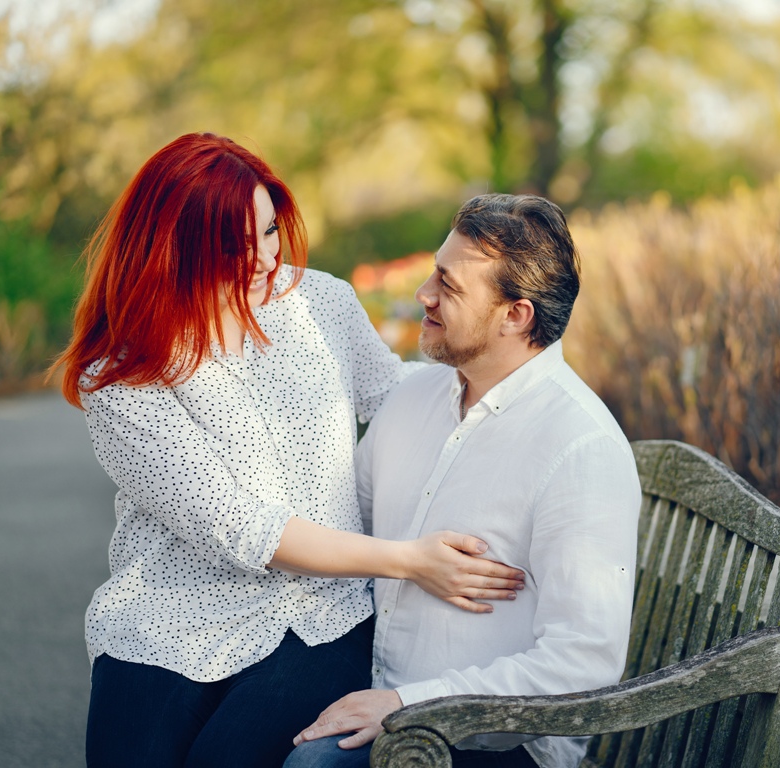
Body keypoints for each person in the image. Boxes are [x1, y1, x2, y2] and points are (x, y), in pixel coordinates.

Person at [53, 133, 525, 768]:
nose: (262, 260)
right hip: (165, 621)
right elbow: (245, 529)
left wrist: (513, 370)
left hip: (317, 616)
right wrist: (408, 560)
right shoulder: (123, 375)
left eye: (269, 232)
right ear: (172, 248)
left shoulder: (321, 300)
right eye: (231, 246)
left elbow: (393, 395)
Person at [284, 194, 640, 768]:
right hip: (368, 678)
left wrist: (407, 704)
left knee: (314, 765)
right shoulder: (414, 396)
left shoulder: (581, 447)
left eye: (448, 286)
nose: (422, 295)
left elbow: (583, 662)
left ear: (515, 315)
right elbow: (349, 526)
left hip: (493, 739)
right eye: (432, 273)